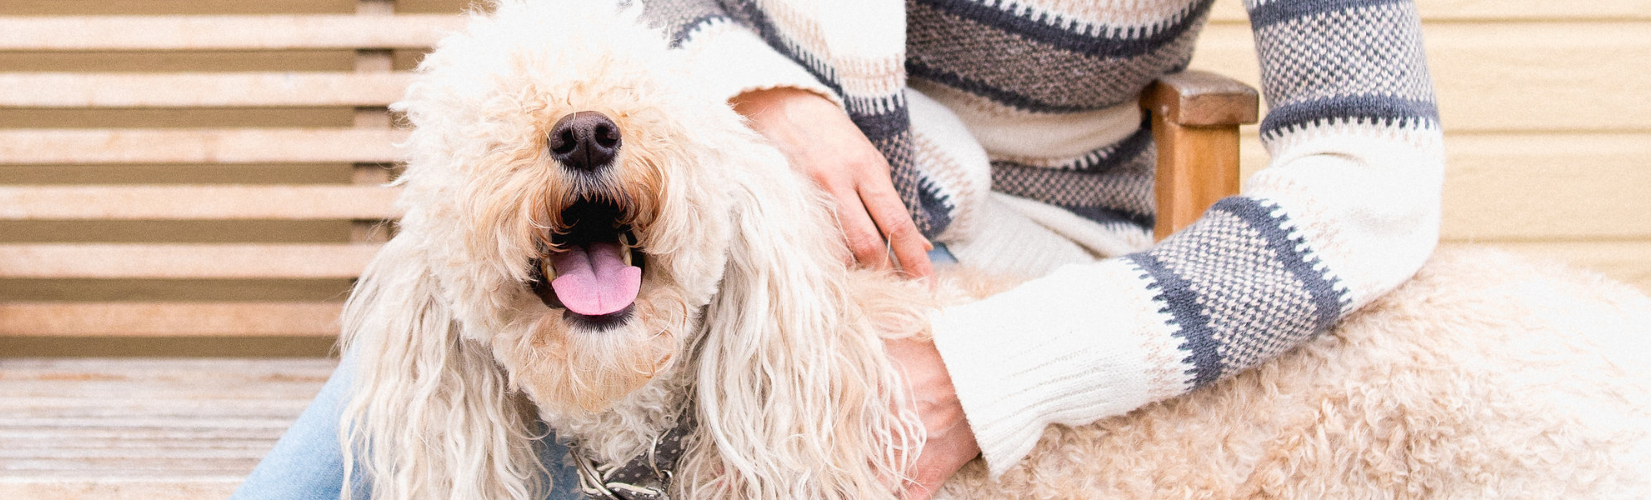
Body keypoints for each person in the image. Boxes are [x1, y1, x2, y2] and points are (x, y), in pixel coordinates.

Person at [235, 0, 1445, 497]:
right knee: (385, 447)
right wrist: (759, 93)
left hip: (1013, 279)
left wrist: (999, 371)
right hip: (689, 227)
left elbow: (1375, 171)